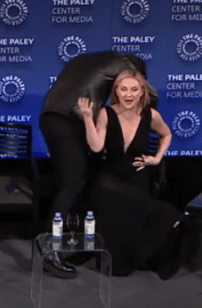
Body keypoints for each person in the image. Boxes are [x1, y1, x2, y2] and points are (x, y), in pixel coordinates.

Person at [38, 51, 152, 277]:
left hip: (50, 116)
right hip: (67, 120)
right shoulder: (125, 64)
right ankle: (49, 249)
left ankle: (78, 241)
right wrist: (144, 119)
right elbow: (148, 93)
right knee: (73, 183)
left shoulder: (84, 60)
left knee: (76, 180)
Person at [79, 69, 188, 278]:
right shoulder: (105, 113)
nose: (128, 94)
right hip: (110, 177)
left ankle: (157, 228)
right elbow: (95, 146)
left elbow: (166, 134)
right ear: (117, 92)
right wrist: (87, 118)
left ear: (141, 92)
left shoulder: (151, 116)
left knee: (131, 197)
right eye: (123, 89)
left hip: (138, 177)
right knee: (103, 186)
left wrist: (157, 158)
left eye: (133, 89)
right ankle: (167, 215)